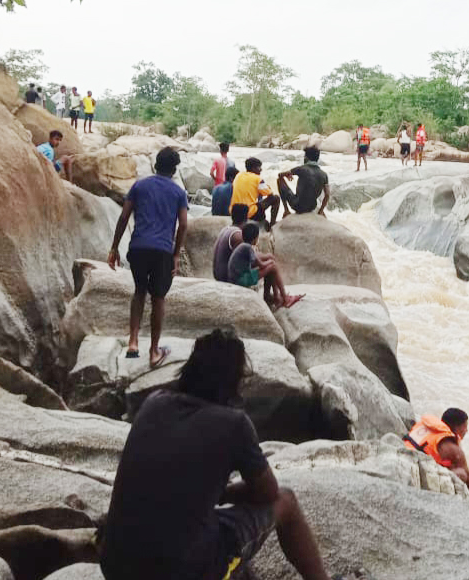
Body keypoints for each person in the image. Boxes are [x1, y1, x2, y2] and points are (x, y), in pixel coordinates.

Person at [100, 329, 332, 580]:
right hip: (180, 572)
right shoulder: (235, 424)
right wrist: (226, 493)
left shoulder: (154, 402)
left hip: (115, 565)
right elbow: (268, 492)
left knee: (203, 528)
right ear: (235, 381)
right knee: (286, 501)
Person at [107, 147, 189, 367]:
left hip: (138, 247)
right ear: (174, 170)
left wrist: (114, 248)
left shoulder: (139, 186)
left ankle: (133, 342)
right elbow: (183, 225)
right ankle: (154, 351)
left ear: (155, 165)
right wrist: (176, 254)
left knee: (139, 291)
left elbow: (124, 217)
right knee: (158, 298)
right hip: (162, 251)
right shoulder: (178, 193)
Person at [403, 408, 469, 518]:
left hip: (404, 457)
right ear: (457, 428)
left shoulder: (429, 427)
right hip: (413, 472)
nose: (466, 430)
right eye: (465, 426)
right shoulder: (453, 449)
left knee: (458, 470)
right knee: (462, 474)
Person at [228, 222, 303, 308]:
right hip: (241, 280)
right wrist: (270, 262)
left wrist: (269, 260)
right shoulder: (247, 248)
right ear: (255, 238)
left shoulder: (243, 246)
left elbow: (256, 259)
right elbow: (261, 264)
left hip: (239, 276)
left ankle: (276, 297)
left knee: (271, 266)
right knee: (273, 267)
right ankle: (285, 299)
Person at [276, 146, 330, 217]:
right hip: (312, 207)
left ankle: (286, 210)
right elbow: (327, 194)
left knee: (279, 180)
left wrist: (287, 175)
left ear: (306, 158)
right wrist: (321, 211)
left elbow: (280, 175)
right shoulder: (324, 174)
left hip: (298, 206)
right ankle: (320, 211)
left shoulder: (301, 169)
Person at [230, 157, 280, 228]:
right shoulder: (257, 179)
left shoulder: (238, 175)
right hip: (249, 213)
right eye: (259, 167)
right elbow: (270, 194)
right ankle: (272, 224)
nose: (261, 169)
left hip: (235, 212)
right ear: (253, 168)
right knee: (276, 198)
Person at [213, 203, 248, 282]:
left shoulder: (225, 229)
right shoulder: (238, 235)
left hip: (217, 275)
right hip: (227, 278)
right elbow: (239, 263)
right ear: (246, 218)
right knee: (270, 266)